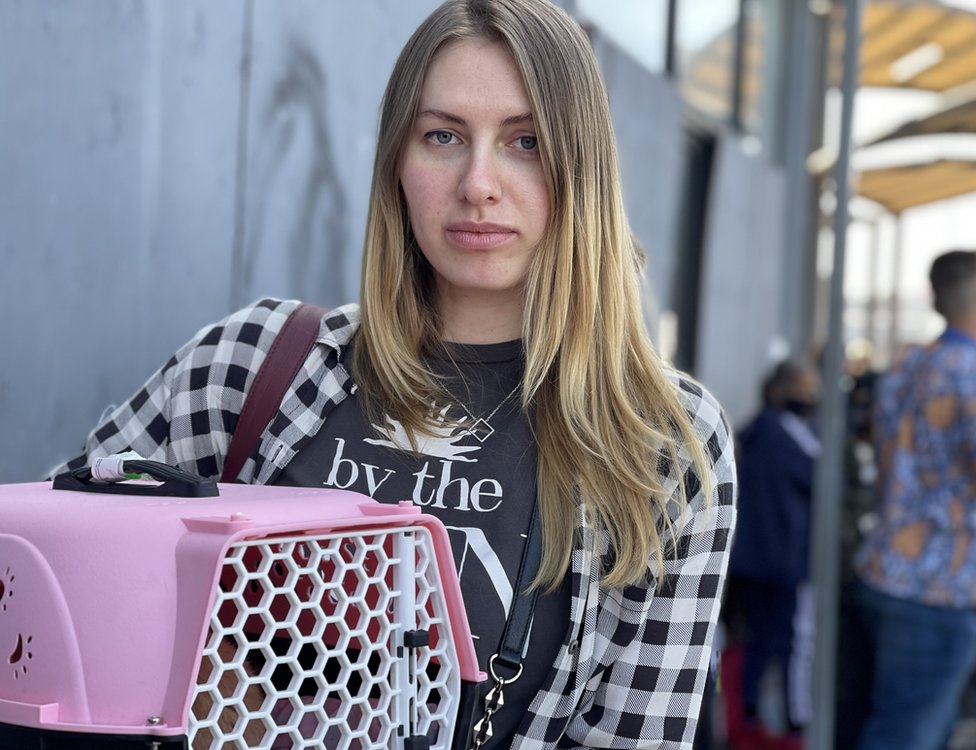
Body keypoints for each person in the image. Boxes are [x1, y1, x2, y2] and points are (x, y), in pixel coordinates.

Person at [51, 1, 737, 747]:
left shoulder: (662, 440)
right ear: (396, 165)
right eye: (442, 136)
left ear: (583, 169)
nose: (479, 183)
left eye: (526, 141)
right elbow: (46, 595)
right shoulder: (250, 365)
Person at [854, 250, 976, 750]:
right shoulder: (967, 371)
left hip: (886, 570)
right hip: (938, 584)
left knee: (891, 725)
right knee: (909, 736)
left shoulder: (908, 362)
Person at [725, 359, 821, 750]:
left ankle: (748, 718)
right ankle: (795, 724)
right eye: (806, 386)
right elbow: (821, 477)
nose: (812, 396)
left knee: (758, 643)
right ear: (782, 389)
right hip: (783, 563)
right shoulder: (786, 434)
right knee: (795, 645)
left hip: (752, 562)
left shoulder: (752, 430)